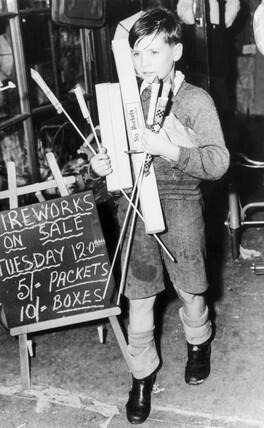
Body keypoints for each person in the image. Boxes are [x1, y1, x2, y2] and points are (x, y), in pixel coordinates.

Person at [89, 8, 230, 425]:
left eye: (154, 52)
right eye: (136, 53)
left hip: (181, 200)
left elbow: (218, 162)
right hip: (133, 204)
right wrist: (102, 166)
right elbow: (111, 165)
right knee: (140, 296)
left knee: (190, 288)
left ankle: (199, 341)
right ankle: (142, 375)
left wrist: (168, 147)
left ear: (177, 51)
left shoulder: (194, 100)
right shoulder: (125, 100)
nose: (143, 61)